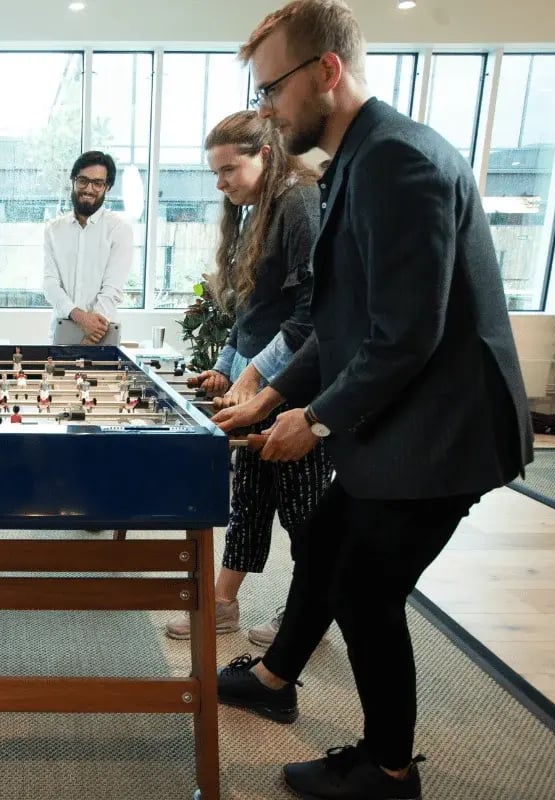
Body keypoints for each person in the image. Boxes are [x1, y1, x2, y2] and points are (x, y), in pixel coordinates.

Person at [212, 3, 531, 797]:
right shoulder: (360, 160)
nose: (266, 111)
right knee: (322, 543)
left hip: (445, 432)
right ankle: (278, 678)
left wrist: (313, 421)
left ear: (326, 72)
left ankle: (388, 769)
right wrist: (270, 394)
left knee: (366, 589)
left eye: (272, 90)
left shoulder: (396, 161)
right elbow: (343, 319)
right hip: (407, 417)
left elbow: (405, 335)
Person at [164, 110, 332, 646]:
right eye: (215, 173)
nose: (221, 183)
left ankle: (309, 613)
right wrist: (226, 366)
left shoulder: (300, 203)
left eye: (228, 170)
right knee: (251, 500)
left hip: (299, 385)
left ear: (265, 154)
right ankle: (224, 602)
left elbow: (312, 315)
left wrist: (256, 374)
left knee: (305, 516)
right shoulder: (259, 207)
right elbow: (252, 309)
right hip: (260, 380)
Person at [42, 151, 134, 344]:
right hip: (62, 332)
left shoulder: (119, 229)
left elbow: (112, 289)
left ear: (107, 187)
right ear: (73, 181)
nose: (89, 189)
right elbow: (50, 285)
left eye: (98, 183)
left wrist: (90, 337)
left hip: (103, 335)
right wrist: (80, 317)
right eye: (83, 180)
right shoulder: (54, 230)